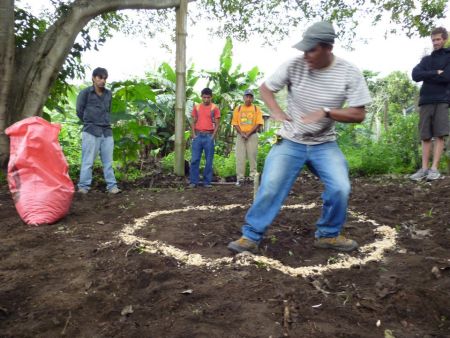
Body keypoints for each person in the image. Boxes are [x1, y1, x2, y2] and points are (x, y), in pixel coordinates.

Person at [227, 21, 372, 254]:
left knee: (340, 188)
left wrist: (327, 112)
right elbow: (265, 88)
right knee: (271, 184)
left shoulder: (348, 72)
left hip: (324, 144)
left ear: (328, 48)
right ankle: (250, 236)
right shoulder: (294, 65)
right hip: (290, 141)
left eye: (311, 49)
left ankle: (328, 235)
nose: (306, 55)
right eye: (304, 49)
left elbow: (359, 114)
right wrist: (275, 111)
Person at [410, 27, 450, 181]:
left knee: (440, 134)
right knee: (425, 135)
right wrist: (435, 73)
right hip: (426, 99)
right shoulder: (426, 60)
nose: (435, 42)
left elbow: (447, 77)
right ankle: (424, 169)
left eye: (438, 39)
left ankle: (434, 169)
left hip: (443, 99)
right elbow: (415, 75)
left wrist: (428, 75)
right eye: (433, 40)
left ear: (444, 39)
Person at [76, 67, 121, 194]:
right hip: (91, 130)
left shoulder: (108, 94)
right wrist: (89, 121)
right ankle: (83, 187)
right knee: (88, 161)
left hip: (106, 131)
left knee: (108, 162)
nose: (102, 80)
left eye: (105, 78)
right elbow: (79, 111)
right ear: (93, 78)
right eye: (100, 77)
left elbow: (108, 110)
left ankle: (112, 187)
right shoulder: (85, 93)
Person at [189, 88, 220, 188]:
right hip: (197, 136)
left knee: (209, 160)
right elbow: (193, 121)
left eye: (208, 97)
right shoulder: (197, 107)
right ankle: (194, 182)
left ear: (211, 97)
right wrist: (193, 134)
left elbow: (217, 124)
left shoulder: (214, 108)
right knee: (194, 159)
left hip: (209, 137)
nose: (206, 99)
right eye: (204, 97)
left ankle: (207, 182)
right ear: (201, 97)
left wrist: (213, 136)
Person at [232, 89, 264, 186]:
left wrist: (248, 133)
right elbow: (235, 123)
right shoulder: (238, 109)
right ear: (243, 97)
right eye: (247, 96)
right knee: (240, 157)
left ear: (253, 98)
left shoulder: (256, 109)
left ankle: (253, 178)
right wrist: (242, 133)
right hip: (240, 136)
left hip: (252, 136)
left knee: (252, 157)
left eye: (250, 97)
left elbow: (259, 123)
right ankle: (240, 178)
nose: (248, 99)